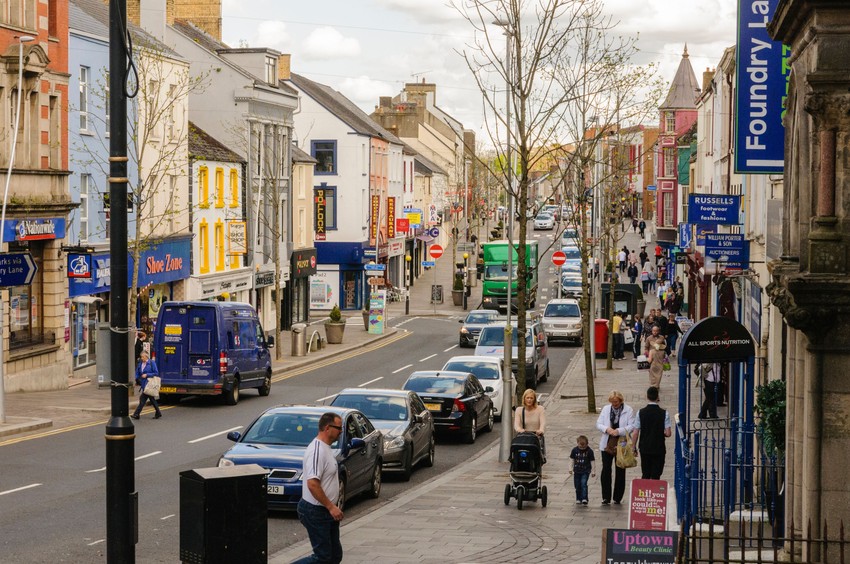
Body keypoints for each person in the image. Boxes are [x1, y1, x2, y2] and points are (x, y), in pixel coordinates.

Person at [295, 412, 345, 564]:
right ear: (327, 428)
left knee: (335, 556)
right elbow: (312, 484)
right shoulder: (316, 451)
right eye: (339, 428)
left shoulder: (326, 447)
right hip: (316, 510)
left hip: (326, 511)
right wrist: (331, 507)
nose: (341, 431)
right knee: (323, 557)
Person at [596, 390, 634, 505]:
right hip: (607, 443)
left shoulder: (628, 410)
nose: (614, 404)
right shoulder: (606, 409)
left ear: (621, 401)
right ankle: (605, 497)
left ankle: (617, 497)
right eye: (612, 402)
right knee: (606, 469)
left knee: (620, 469)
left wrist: (619, 431)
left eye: (616, 402)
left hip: (621, 443)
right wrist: (607, 429)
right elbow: (598, 424)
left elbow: (632, 426)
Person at [631, 386, 673, 480]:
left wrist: (633, 447)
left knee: (645, 473)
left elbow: (636, 432)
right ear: (657, 397)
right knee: (656, 475)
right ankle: (655, 488)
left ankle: (645, 488)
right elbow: (668, 433)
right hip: (659, 448)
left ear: (647, 396)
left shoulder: (640, 412)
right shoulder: (664, 413)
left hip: (645, 447)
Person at [515, 389, 546, 460]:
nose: (529, 400)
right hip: (524, 437)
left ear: (534, 399)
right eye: (527, 398)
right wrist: (520, 429)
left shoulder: (540, 409)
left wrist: (541, 430)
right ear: (524, 399)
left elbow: (543, 422)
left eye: (531, 398)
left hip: (536, 437)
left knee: (537, 457)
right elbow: (516, 424)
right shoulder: (519, 410)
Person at [131, 350, 162, 420]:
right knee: (151, 399)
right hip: (143, 384)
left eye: (143, 357)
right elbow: (137, 372)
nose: (141, 358)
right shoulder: (140, 363)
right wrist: (136, 379)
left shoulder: (151, 363)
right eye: (141, 357)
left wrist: (147, 374)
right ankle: (158, 412)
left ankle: (136, 414)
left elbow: (156, 373)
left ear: (146, 356)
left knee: (143, 399)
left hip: (149, 384)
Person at [569, 435, 596, 505]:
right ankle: (578, 498)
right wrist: (570, 468)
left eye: (584, 447)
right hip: (577, 470)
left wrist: (593, 471)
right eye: (580, 447)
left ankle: (584, 498)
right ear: (577, 443)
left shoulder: (589, 451)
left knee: (583, 483)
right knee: (577, 485)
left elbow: (592, 461)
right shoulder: (574, 450)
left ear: (587, 444)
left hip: (585, 470)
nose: (582, 448)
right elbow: (572, 459)